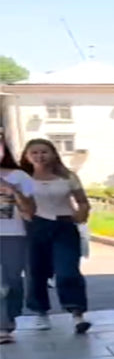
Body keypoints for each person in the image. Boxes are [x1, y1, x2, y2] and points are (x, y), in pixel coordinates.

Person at [20, 138, 91, 333]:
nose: (39, 156)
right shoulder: (25, 178)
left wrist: (82, 213)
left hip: (64, 225)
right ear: (27, 156)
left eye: (44, 152)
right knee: (36, 271)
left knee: (67, 271)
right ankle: (40, 312)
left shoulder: (67, 176)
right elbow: (24, 204)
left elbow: (82, 201)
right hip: (35, 225)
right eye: (34, 153)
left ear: (53, 154)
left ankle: (77, 313)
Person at [0, 132, 37, 344]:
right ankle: (2, 325)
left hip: (13, 234)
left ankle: (10, 316)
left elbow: (31, 211)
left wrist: (13, 191)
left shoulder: (19, 176)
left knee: (12, 281)